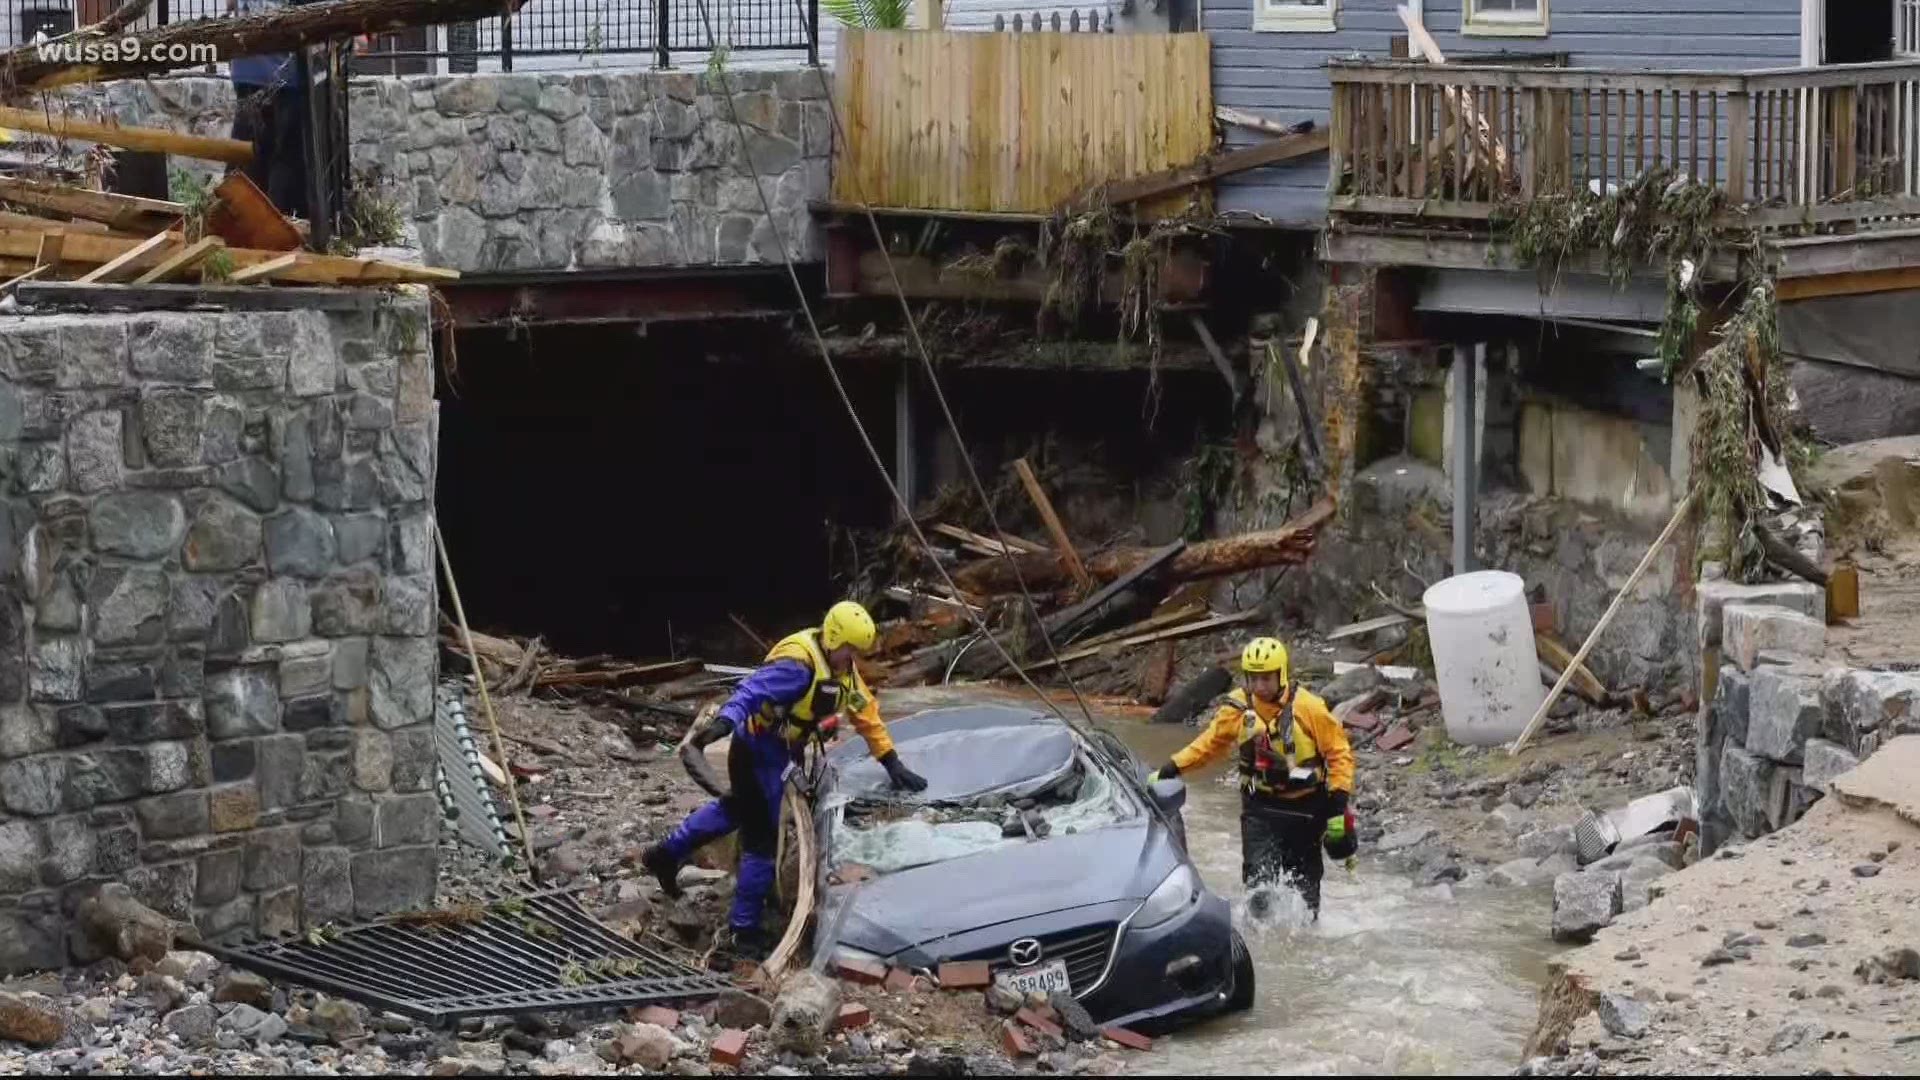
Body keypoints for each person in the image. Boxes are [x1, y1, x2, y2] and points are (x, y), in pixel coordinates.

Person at [641, 601, 927, 960]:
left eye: (857, 652)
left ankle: (665, 855)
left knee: (737, 810)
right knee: (761, 840)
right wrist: (720, 726)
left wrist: (891, 760)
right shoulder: (796, 667)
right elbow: (749, 694)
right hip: (756, 750)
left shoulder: (843, 669)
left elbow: (864, 711)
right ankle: (743, 931)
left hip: (780, 751)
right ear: (835, 638)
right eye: (850, 650)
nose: (853, 657)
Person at [1150, 637, 1355, 918]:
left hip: (1306, 811)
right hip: (1260, 810)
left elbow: (1339, 753)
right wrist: (1171, 768)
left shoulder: (1310, 707)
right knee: (1259, 888)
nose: (1259, 687)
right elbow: (1208, 746)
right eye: (1253, 679)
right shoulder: (1236, 708)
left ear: (1281, 674)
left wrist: (1338, 801)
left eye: (1266, 679)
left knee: (1306, 890)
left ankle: (1306, 935)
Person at [226, 0, 310, 220]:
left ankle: (237, 220)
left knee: (248, 155)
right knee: (285, 157)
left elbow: (230, 4)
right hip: (284, 74)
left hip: (247, 68)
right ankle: (277, 227)